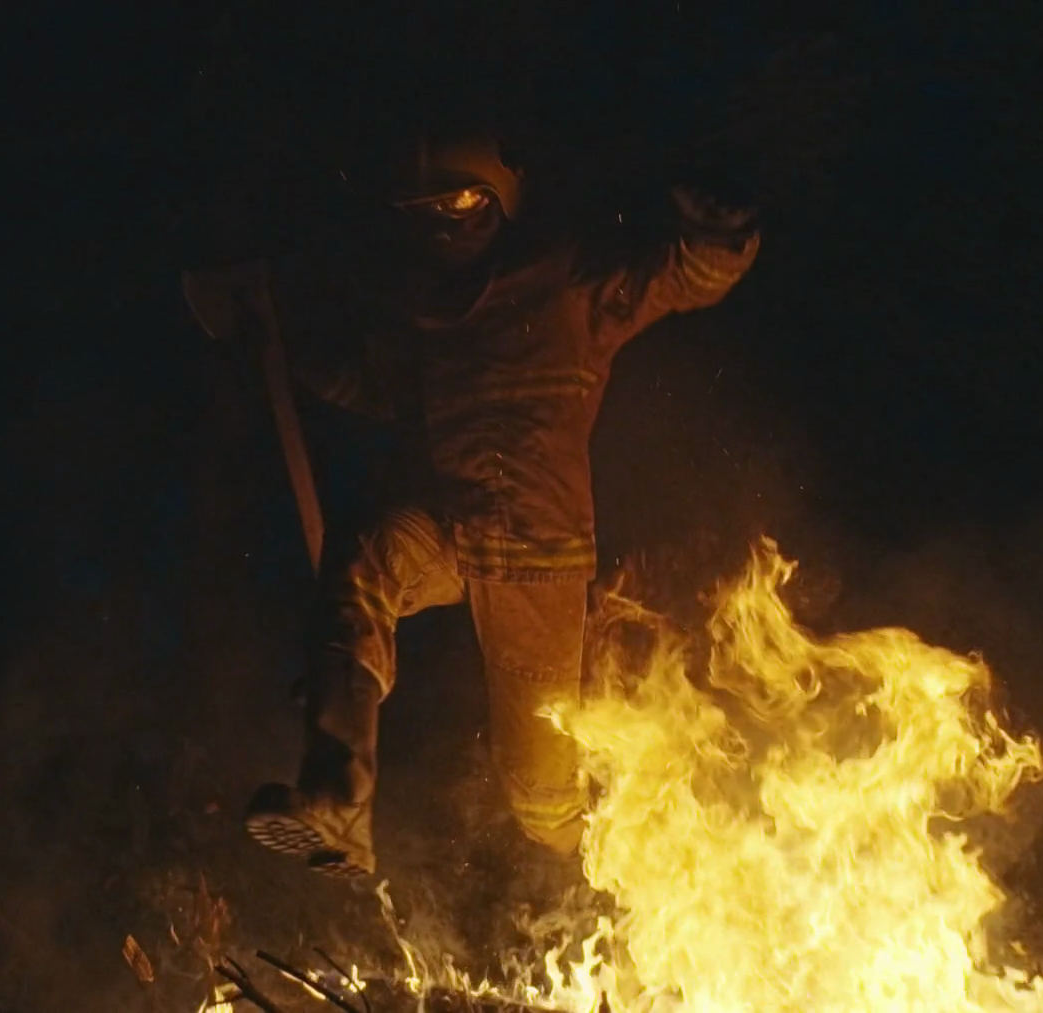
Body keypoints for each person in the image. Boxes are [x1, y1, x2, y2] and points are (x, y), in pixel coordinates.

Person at [190, 119, 760, 878]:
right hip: (452, 532)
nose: (445, 222)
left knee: (540, 797)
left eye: (460, 201)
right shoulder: (422, 317)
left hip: (537, 556)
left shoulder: (567, 285)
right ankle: (338, 799)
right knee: (361, 565)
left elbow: (674, 279)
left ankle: (605, 892)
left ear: (499, 199)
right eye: (424, 209)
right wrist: (270, 338)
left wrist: (719, 236)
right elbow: (368, 383)